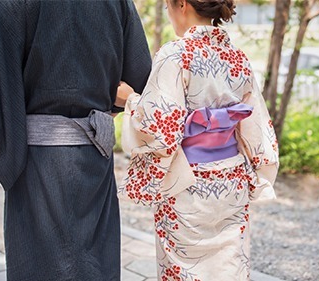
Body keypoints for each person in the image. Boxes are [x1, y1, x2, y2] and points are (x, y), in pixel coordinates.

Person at [0, 0, 151, 280]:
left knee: (37, 264)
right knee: (93, 265)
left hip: (35, 161)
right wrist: (98, 112)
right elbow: (137, 75)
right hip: (93, 157)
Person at [117, 0, 278, 279]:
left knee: (184, 271)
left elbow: (159, 126)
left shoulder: (175, 54)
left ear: (181, 4)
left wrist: (130, 100)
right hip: (232, 181)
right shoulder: (237, 57)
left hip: (186, 185)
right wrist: (261, 169)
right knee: (229, 268)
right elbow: (256, 123)